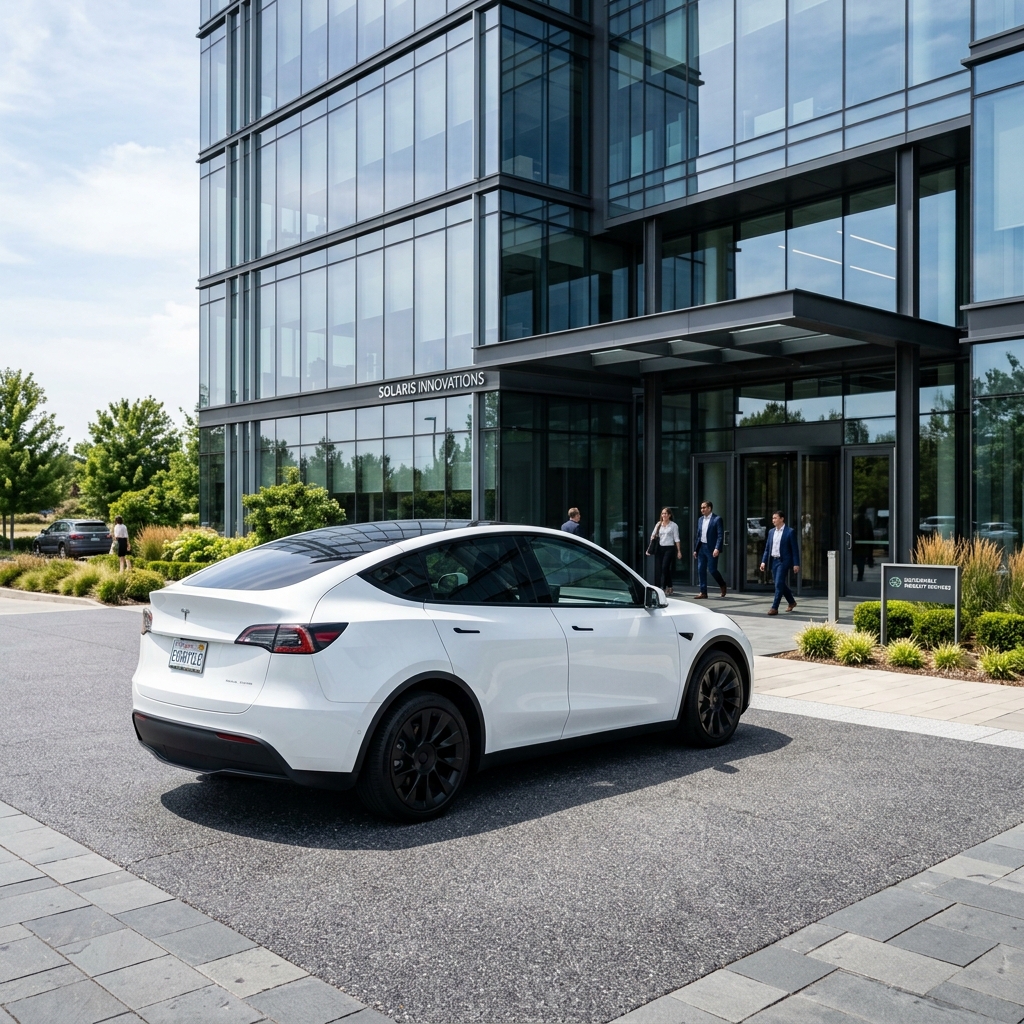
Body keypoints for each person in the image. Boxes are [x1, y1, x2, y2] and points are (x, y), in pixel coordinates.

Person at [759, 510, 800, 615]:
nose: (773, 520)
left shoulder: (789, 532)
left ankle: (774, 608)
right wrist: (763, 562)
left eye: (775, 518)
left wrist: (796, 564)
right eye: (773, 518)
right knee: (780, 584)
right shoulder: (771, 532)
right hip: (774, 561)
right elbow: (767, 549)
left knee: (778, 584)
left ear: (782, 519)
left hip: (784, 561)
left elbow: (795, 549)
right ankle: (791, 602)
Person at [692, 500, 727, 599]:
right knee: (701, 569)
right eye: (701, 508)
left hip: (711, 548)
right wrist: (696, 549)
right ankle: (703, 592)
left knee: (712, 570)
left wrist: (717, 548)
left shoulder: (717, 519)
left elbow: (720, 535)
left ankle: (722, 584)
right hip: (701, 547)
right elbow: (698, 536)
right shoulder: (700, 520)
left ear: (709, 508)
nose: (702, 509)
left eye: (704, 507)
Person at [649, 507, 682, 595]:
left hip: (669, 548)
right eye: (662, 513)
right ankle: (670, 586)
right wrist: (649, 548)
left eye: (666, 514)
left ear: (669, 515)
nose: (664, 515)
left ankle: (663, 587)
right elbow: (653, 536)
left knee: (664, 567)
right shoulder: (658, 524)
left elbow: (677, 539)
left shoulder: (673, 525)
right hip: (660, 548)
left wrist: (679, 551)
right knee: (662, 569)